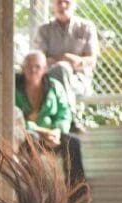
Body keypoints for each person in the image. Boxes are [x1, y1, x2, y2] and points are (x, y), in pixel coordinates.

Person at [15, 50, 86, 189]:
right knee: (31, 140)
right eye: (28, 66)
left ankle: (77, 190)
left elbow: (64, 114)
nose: (33, 70)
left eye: (37, 66)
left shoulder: (54, 86)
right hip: (27, 135)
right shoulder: (14, 88)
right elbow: (15, 119)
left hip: (53, 134)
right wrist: (39, 130)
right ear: (23, 68)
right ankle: (33, 190)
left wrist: (57, 131)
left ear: (45, 68)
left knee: (73, 142)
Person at [34, 0, 98, 114]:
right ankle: (71, 119)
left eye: (66, 2)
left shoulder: (86, 27)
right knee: (61, 70)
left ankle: (67, 118)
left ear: (74, 4)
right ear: (53, 4)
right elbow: (39, 62)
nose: (62, 5)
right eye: (58, 2)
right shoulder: (44, 30)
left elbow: (91, 61)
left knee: (62, 70)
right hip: (50, 80)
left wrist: (59, 60)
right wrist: (67, 59)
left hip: (79, 81)